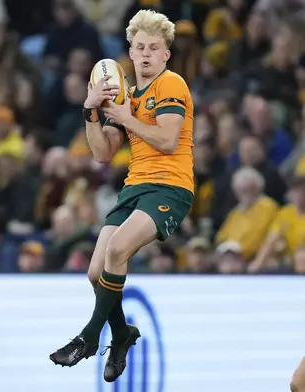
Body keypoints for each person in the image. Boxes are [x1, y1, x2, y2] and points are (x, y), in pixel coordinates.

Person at [49, 9, 194, 384]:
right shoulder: (129, 93)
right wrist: (91, 109)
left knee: (117, 251)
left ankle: (90, 337)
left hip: (170, 187)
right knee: (95, 272)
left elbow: (166, 139)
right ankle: (123, 334)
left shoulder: (171, 85)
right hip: (135, 187)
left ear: (166, 55)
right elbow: (102, 152)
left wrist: (126, 116)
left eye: (154, 48)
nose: (146, 54)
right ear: (130, 51)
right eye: (140, 47)